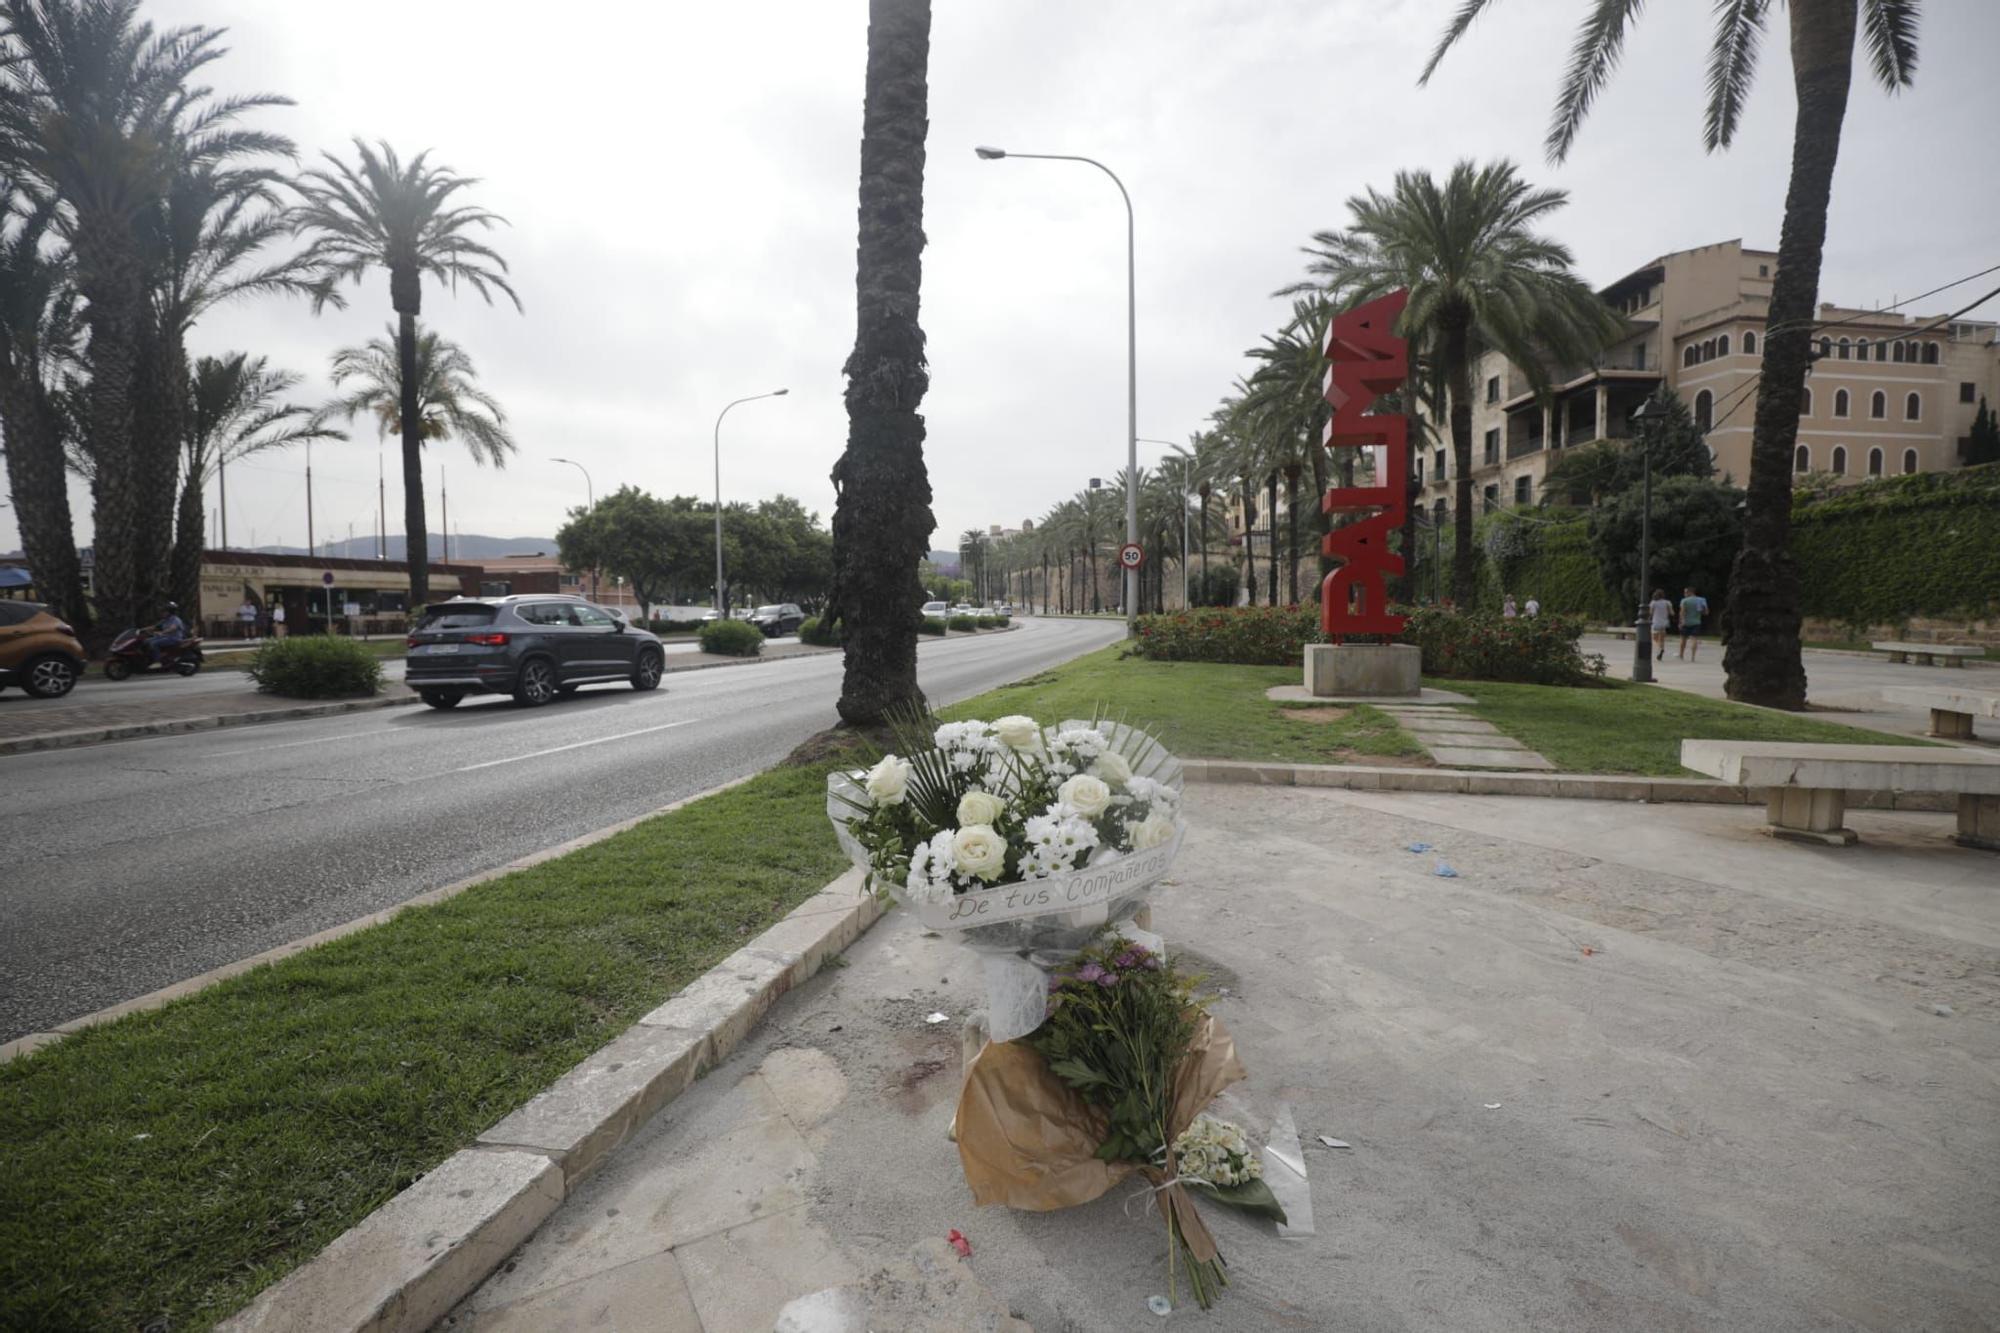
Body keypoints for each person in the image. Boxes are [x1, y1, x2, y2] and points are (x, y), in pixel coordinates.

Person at [1678, 586, 1710, 660]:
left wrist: (1681, 622)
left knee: (1683, 639)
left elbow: (1682, 612)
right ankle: (1693, 657)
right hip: (1696, 622)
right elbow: (1706, 612)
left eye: (1685, 592)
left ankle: (1681, 655)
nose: (1684, 594)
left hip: (1686, 622)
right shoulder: (1702, 600)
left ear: (1690, 592)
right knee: (1694, 639)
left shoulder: (1684, 601)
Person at [1648, 587, 1674, 661]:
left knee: (1654, 638)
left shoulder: (1653, 603)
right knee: (1662, 639)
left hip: (1656, 622)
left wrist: (1648, 619)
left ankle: (1659, 649)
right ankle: (1661, 649)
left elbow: (1650, 613)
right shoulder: (1667, 602)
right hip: (1664, 622)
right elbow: (1671, 613)